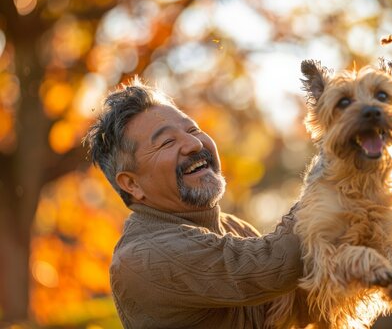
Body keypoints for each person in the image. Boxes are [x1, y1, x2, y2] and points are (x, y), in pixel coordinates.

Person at [83, 78, 307, 328]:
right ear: (132, 184)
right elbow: (276, 264)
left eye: (193, 130)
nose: (195, 144)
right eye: (167, 142)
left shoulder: (234, 227)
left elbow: (301, 299)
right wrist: (335, 172)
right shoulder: (143, 257)